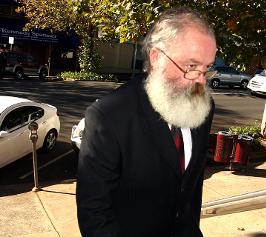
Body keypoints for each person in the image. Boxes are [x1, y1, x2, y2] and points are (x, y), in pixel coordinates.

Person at [76, 7, 217, 237]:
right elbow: (95, 214)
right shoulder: (108, 116)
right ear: (156, 57)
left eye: (207, 68)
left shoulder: (204, 107)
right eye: (191, 66)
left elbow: (191, 191)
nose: (200, 81)